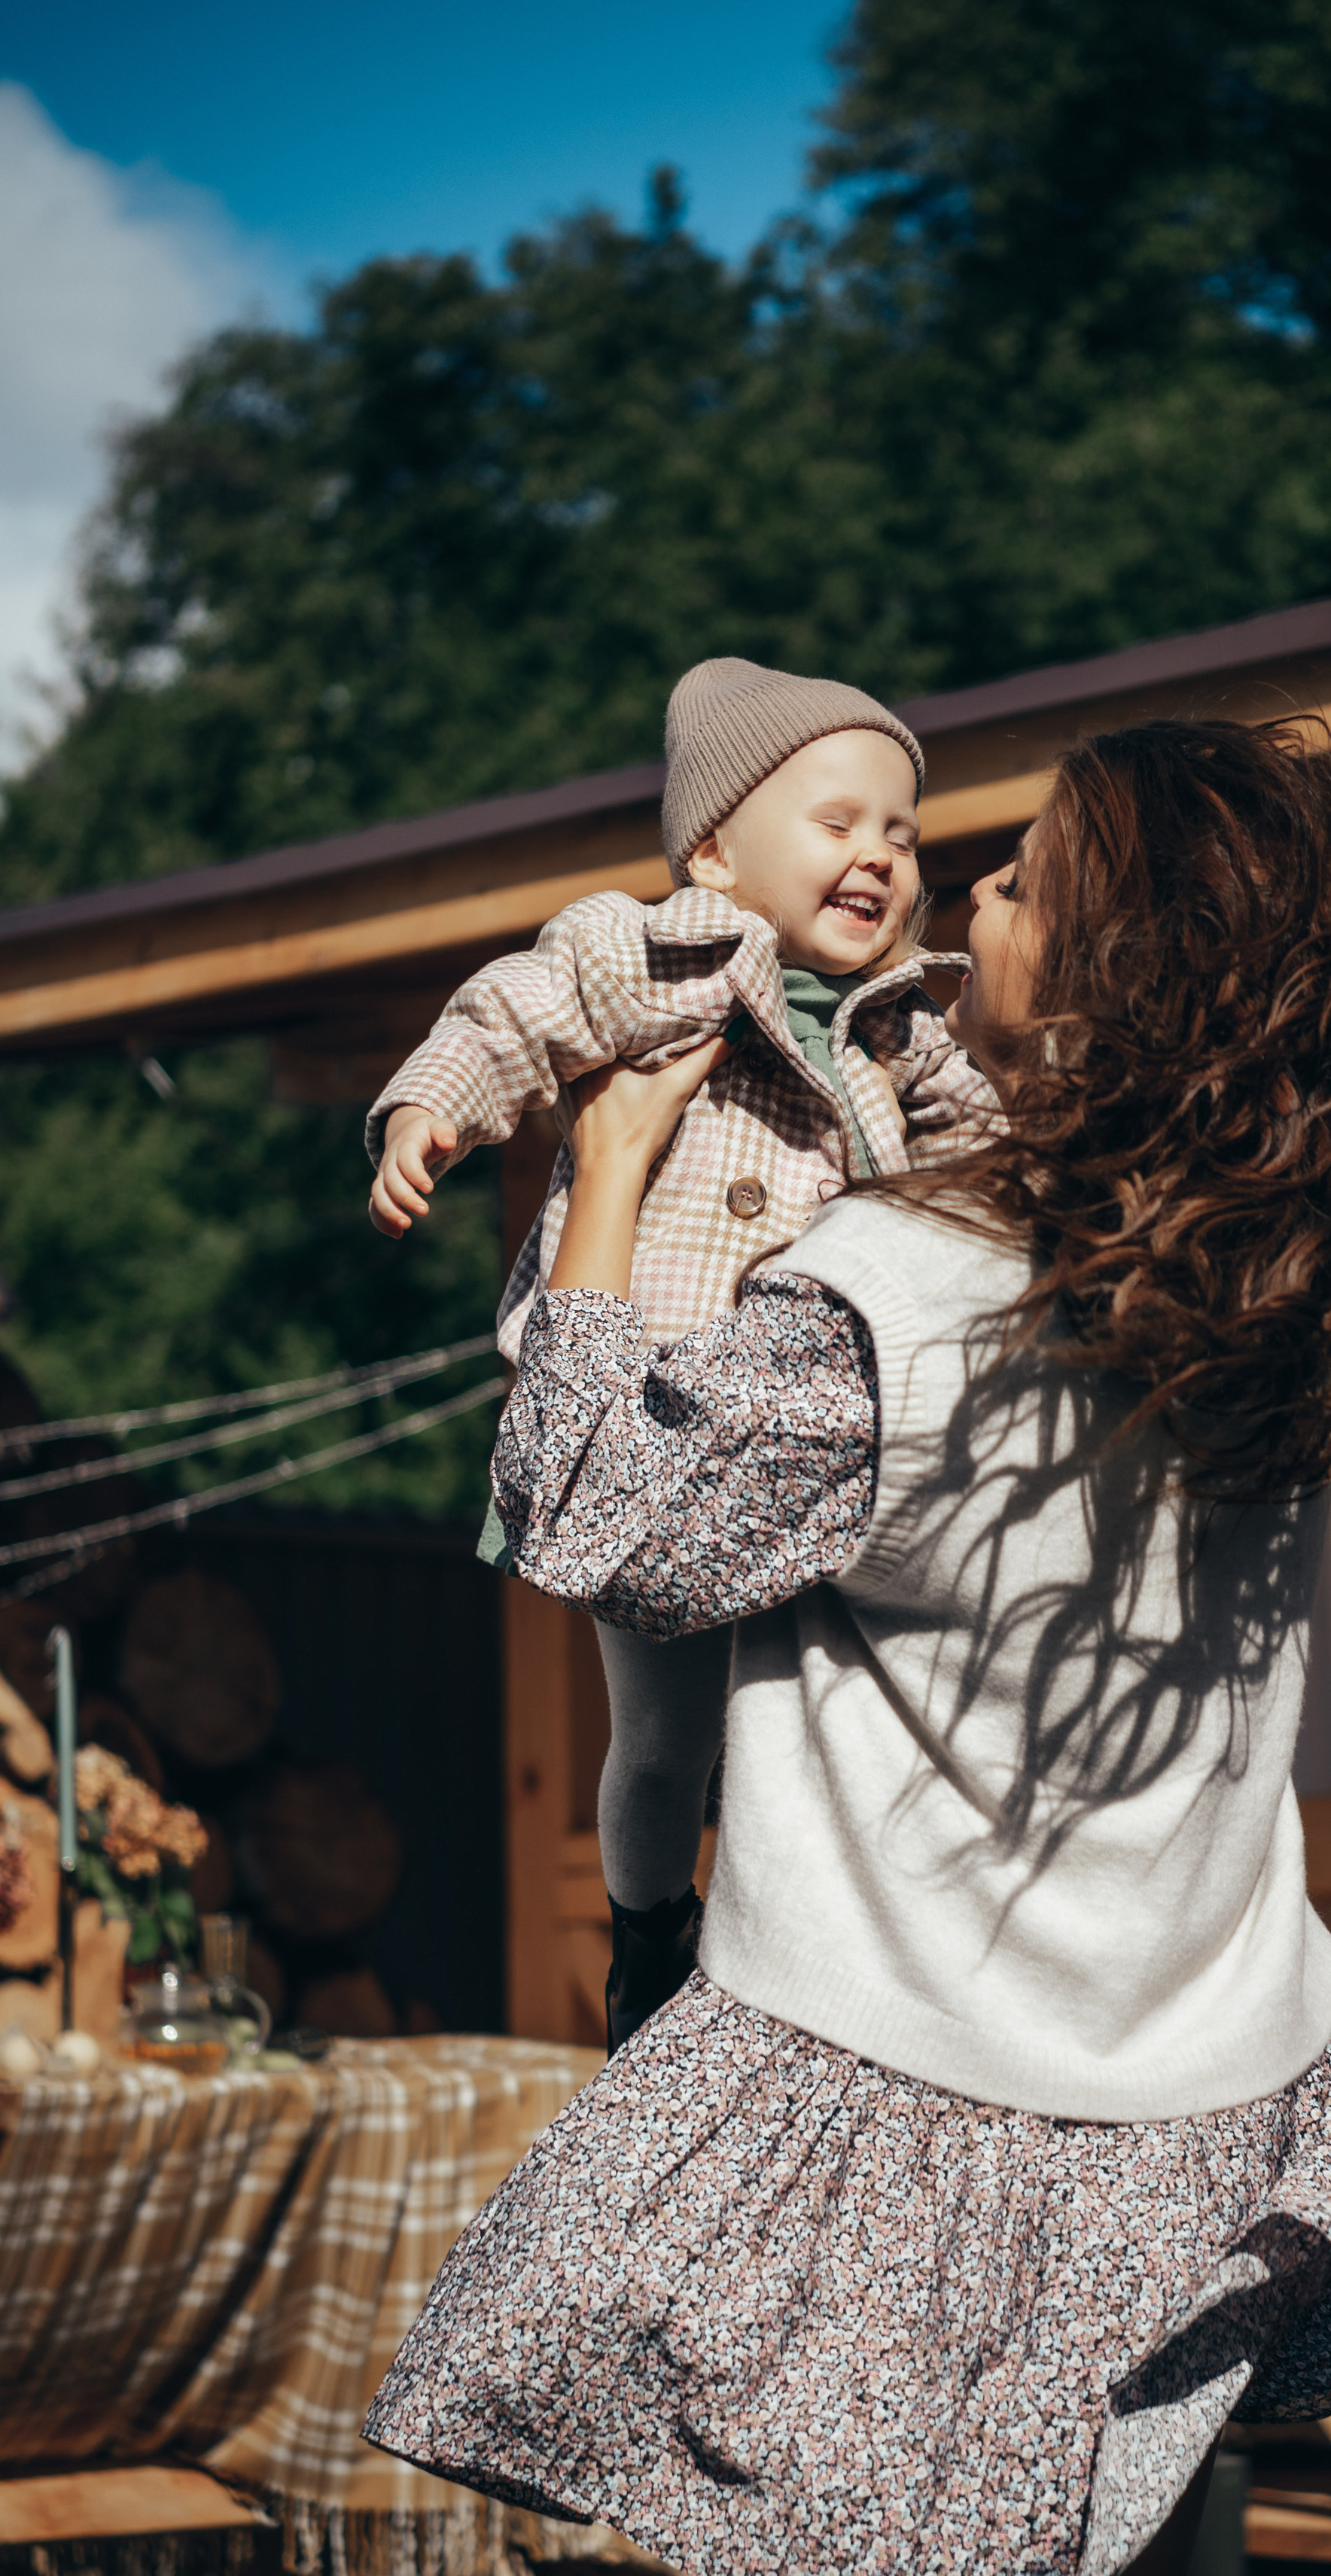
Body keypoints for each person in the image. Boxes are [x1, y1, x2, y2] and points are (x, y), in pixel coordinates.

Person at [365, 719, 1331, 2576]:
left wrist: (605, 1170)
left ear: (1125, 968)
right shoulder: (1273, 1299)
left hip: (901, 2114)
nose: (976, 907)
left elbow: (595, 1511)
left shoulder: (901, 1298)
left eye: (1032, 885)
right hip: (1197, 2097)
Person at [366, 658, 998, 2046]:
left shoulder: (902, 1023)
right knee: (663, 1736)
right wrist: (435, 1108)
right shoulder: (643, 953)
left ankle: (807, 1964)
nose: (882, 858)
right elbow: (511, 1014)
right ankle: (650, 1925)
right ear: (714, 849)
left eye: (902, 833)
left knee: (806, 1734)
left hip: (816, 1449)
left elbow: (995, 1157)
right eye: (840, 824)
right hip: (645, 1424)